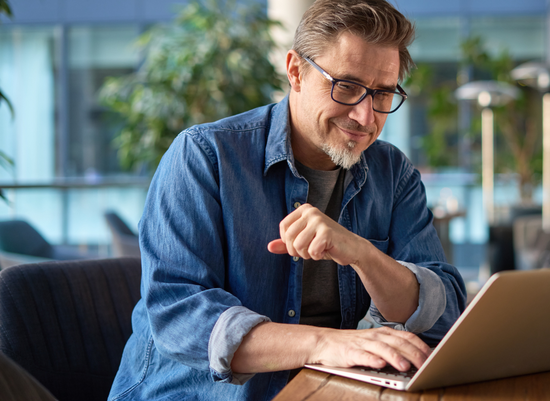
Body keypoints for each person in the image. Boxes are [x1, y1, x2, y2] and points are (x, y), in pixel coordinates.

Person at [108, 1, 466, 400]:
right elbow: (179, 315)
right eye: (346, 87)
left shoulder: (393, 173)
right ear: (296, 71)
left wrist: (363, 255)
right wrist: (325, 343)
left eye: (382, 94)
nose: (366, 117)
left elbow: (445, 312)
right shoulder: (205, 156)